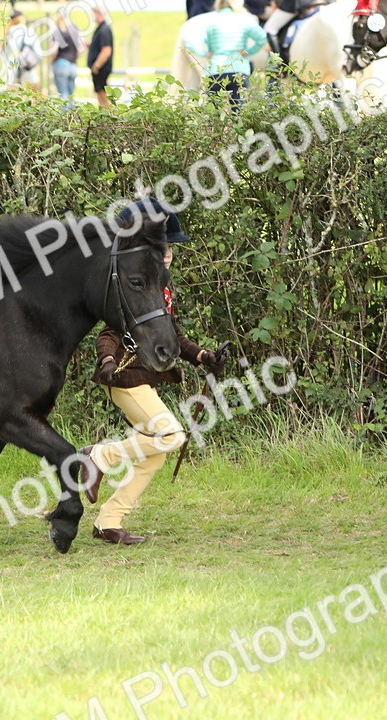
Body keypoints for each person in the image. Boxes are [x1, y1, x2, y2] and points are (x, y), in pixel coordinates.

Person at [77, 199, 224, 545]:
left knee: (154, 455)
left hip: (143, 380)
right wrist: (107, 361)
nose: (168, 253)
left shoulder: (161, 290)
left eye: (170, 248)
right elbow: (108, 333)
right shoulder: (135, 288)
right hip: (125, 379)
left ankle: (108, 521)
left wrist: (202, 356)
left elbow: (174, 336)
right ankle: (97, 455)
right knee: (170, 435)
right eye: (162, 248)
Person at [189, 0, 269, 108]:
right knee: (240, 114)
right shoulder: (244, 19)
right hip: (239, 70)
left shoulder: (210, 20)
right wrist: (248, 52)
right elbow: (262, 38)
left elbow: (190, 41)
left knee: (215, 114)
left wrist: (204, 53)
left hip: (215, 71)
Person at [5, 8, 41, 93]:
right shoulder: (28, 31)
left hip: (11, 66)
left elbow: (3, 52)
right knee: (36, 94)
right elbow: (38, 51)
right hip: (27, 64)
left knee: (13, 95)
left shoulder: (8, 32)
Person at [51, 11, 82, 106]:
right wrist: (74, 58)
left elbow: (54, 50)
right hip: (73, 65)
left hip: (61, 63)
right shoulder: (76, 29)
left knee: (63, 94)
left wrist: (51, 61)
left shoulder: (58, 31)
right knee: (70, 95)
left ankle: (65, 118)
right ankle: (72, 117)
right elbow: (81, 49)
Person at [87, 5, 114, 107]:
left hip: (101, 68)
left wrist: (96, 65)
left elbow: (106, 51)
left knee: (102, 93)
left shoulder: (104, 30)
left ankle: (107, 113)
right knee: (99, 92)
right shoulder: (101, 29)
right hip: (100, 68)